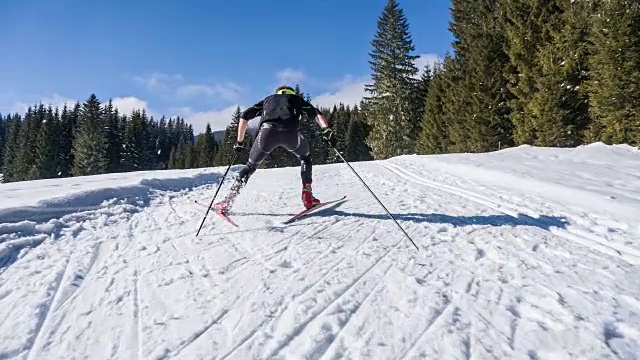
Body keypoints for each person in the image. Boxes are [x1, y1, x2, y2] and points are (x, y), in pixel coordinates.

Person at [214, 85, 336, 214]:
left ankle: (228, 201)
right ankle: (307, 195)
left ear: (277, 93)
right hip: (291, 133)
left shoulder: (268, 100)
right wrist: (325, 129)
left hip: (267, 133)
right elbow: (316, 113)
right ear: (291, 92)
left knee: (250, 166)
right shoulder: (296, 99)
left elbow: (244, 116)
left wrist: (239, 142)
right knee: (305, 158)